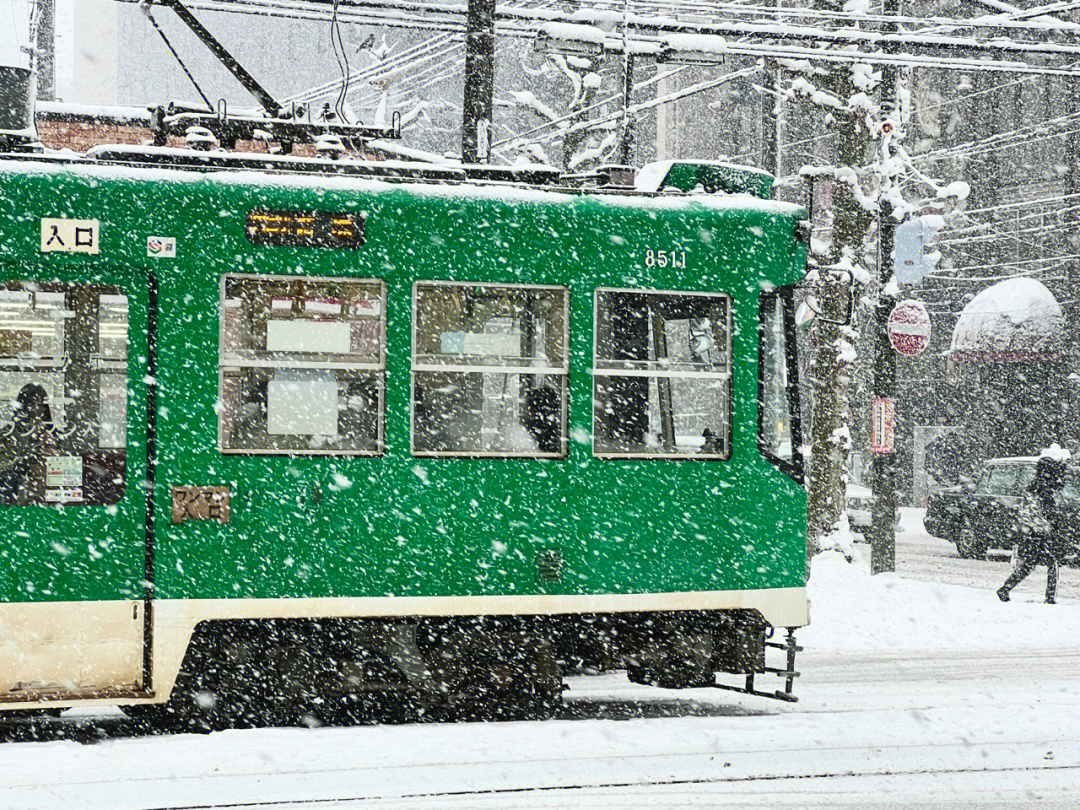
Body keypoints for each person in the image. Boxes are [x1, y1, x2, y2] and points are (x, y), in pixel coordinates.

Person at [997, 455, 1067, 604]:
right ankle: (1049, 598)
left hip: (1030, 530)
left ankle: (1006, 588)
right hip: (1041, 531)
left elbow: (1028, 509)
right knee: (1052, 563)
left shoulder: (1034, 485)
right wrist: (1056, 524)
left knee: (1029, 564)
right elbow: (1050, 512)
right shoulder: (1045, 488)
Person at [0, 383, 59, 503]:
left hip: (44, 497)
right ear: (23, 406)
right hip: (11, 496)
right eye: (31, 404)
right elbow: (3, 467)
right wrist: (19, 463)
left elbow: (61, 464)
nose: (36, 409)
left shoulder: (52, 435)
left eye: (40, 404)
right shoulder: (7, 435)